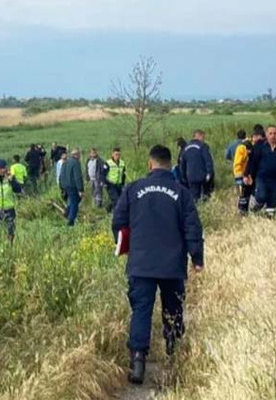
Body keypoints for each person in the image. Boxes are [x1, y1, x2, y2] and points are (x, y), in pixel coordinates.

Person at [112, 145, 204, 385]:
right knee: (173, 310)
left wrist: (124, 246)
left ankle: (138, 361)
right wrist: (197, 258)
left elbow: (118, 221)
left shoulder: (133, 189)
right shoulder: (181, 192)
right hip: (172, 264)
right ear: (169, 164)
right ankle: (174, 357)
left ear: (149, 164)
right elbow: (192, 227)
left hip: (141, 263)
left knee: (141, 310)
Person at [244, 125, 276, 217]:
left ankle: (268, 220)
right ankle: (255, 207)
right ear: (266, 135)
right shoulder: (260, 147)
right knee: (262, 196)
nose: (272, 136)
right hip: (262, 178)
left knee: (273, 202)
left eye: (275, 133)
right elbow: (252, 161)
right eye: (270, 133)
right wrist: (248, 174)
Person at [233, 126, 265, 215]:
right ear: (254, 136)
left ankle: (252, 212)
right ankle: (243, 213)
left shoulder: (261, 146)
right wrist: (239, 177)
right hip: (243, 175)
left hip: (254, 175)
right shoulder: (243, 147)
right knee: (243, 195)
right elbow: (237, 163)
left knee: (253, 195)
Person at [179, 130, 214, 201]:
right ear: (199, 136)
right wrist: (209, 173)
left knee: (194, 198)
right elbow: (208, 161)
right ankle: (206, 206)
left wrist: (183, 177)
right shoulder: (203, 146)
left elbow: (182, 164)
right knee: (206, 195)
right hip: (203, 176)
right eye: (203, 137)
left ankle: (196, 209)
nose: (204, 139)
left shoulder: (185, 148)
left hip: (191, 176)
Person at [60, 148, 85, 226]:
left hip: (65, 186)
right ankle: (71, 221)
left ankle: (67, 212)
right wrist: (80, 189)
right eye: (80, 155)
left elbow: (61, 176)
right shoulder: (76, 163)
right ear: (77, 155)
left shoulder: (65, 162)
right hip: (72, 186)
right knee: (75, 202)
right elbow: (78, 177)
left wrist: (61, 187)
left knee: (74, 201)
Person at [103, 148, 127, 212]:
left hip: (119, 184)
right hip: (110, 184)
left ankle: (108, 208)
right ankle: (115, 213)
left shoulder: (122, 163)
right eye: (116, 154)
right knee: (116, 200)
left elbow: (123, 174)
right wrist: (105, 183)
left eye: (119, 155)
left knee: (120, 199)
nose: (117, 156)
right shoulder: (108, 163)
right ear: (112, 154)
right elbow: (103, 174)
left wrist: (123, 183)